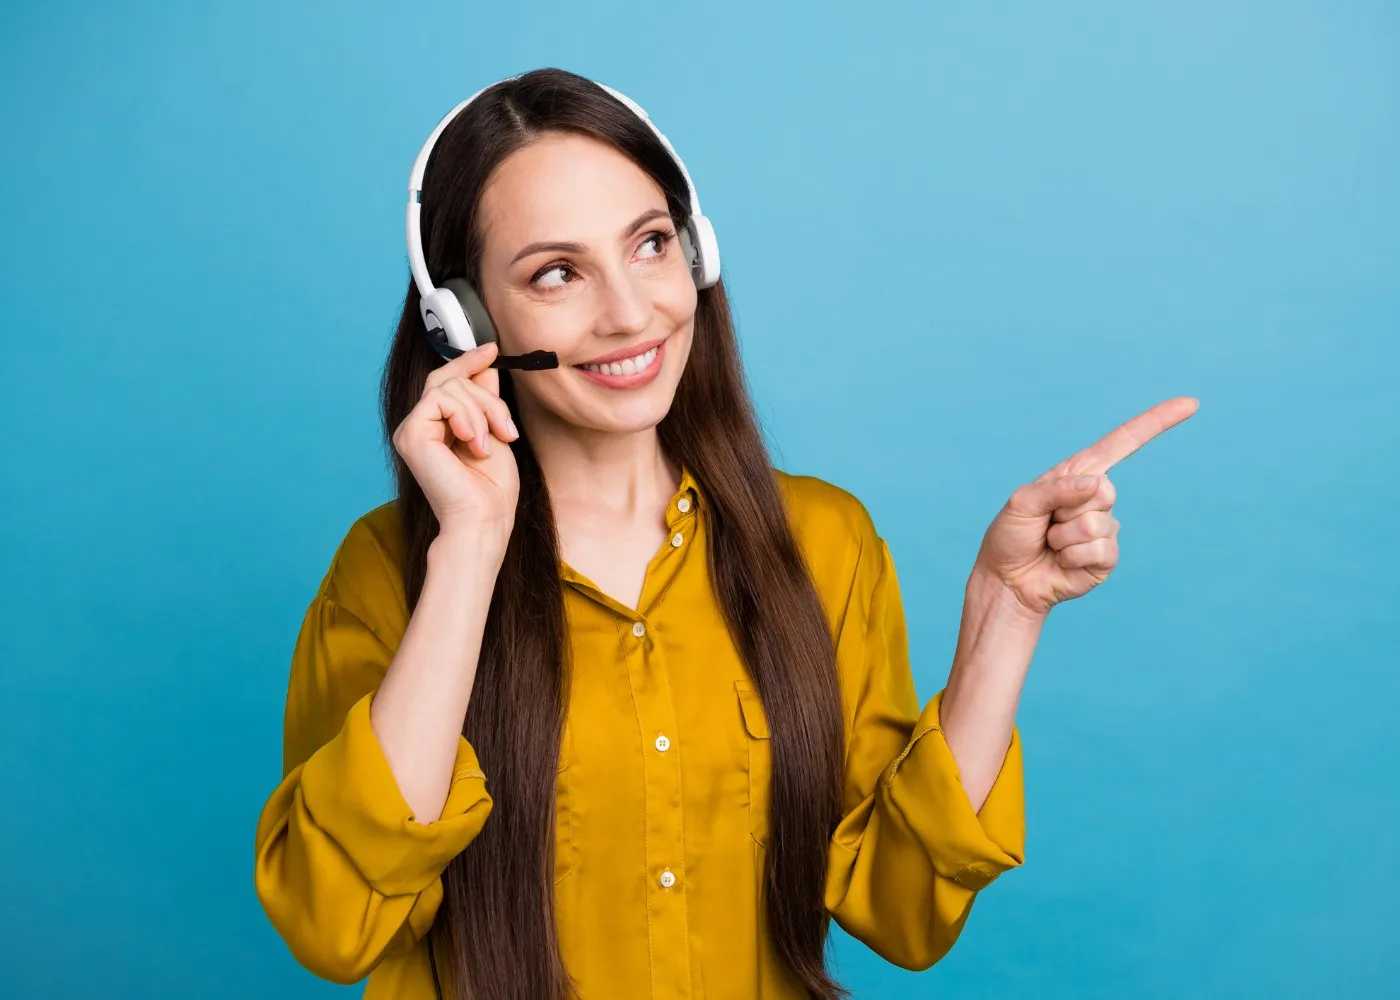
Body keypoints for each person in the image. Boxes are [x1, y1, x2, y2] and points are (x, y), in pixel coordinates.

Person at [252, 67, 1196, 1000]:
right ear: (465, 321)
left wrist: (1008, 607)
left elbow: (903, 913)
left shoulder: (825, 542)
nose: (630, 313)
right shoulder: (388, 575)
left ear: (697, 253)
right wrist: (466, 553)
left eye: (651, 245)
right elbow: (335, 923)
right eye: (557, 273)